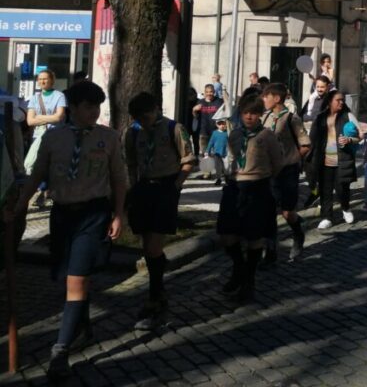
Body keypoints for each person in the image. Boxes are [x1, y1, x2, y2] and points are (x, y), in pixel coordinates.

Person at [6, 81, 127, 379]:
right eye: (89, 106)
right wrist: (19, 208)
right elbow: (36, 176)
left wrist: (118, 214)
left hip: (93, 214)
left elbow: (118, 178)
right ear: (72, 107)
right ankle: (82, 325)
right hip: (62, 215)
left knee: (77, 280)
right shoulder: (53, 138)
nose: (94, 112)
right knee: (67, 279)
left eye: (97, 106)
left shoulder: (108, 138)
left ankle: (60, 350)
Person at [123, 92, 195, 330]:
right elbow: (131, 162)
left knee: (154, 245)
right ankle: (159, 290)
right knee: (147, 245)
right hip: (144, 188)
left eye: (146, 117)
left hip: (166, 187)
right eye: (138, 118)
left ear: (156, 109)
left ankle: (154, 298)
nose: (143, 122)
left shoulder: (174, 128)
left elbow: (188, 160)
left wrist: (176, 185)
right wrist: (132, 188)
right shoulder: (133, 132)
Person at [216, 93, 283, 303]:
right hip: (235, 187)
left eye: (253, 113)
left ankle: (249, 280)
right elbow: (231, 158)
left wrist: (261, 177)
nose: (249, 117)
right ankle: (239, 267)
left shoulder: (267, 136)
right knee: (227, 234)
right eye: (245, 113)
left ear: (260, 114)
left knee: (255, 236)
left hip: (257, 187)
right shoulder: (235, 134)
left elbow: (277, 163)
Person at [261, 83, 311, 264]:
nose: (263, 99)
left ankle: (298, 232)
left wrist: (291, 159)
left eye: (266, 96)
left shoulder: (291, 118)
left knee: (287, 212)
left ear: (276, 98)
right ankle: (270, 252)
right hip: (268, 172)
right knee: (268, 212)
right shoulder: (264, 118)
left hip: (287, 171)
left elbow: (305, 144)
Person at [307, 90, 360, 228]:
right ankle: (327, 217)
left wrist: (349, 139)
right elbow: (312, 138)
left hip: (342, 159)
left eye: (342, 100)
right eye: (338, 100)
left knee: (342, 188)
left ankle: (345, 208)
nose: (341, 102)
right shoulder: (320, 118)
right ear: (330, 101)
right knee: (325, 190)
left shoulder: (348, 116)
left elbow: (360, 135)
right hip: (324, 160)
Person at [25, 68, 67, 208]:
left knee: (52, 164)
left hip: (56, 135)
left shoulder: (59, 96)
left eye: (45, 78)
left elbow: (59, 117)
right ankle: (41, 191)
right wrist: (50, 118)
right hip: (38, 136)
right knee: (37, 164)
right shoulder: (34, 98)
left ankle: (46, 192)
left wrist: (39, 117)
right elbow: (30, 121)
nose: (42, 81)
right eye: (40, 79)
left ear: (52, 80)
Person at [191, 85, 223, 171]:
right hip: (203, 132)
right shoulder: (200, 102)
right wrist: (194, 110)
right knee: (205, 154)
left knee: (217, 153)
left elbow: (225, 112)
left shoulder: (219, 101)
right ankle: (206, 172)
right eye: (207, 92)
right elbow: (195, 116)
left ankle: (219, 172)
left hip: (216, 132)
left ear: (214, 92)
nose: (209, 94)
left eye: (211, 91)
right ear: (204, 93)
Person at [206, 118, 229, 185]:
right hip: (217, 153)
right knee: (218, 167)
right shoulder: (215, 133)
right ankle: (218, 179)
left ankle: (227, 179)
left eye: (223, 124)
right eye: (219, 124)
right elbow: (211, 142)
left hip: (225, 153)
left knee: (226, 167)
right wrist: (207, 150)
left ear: (226, 124)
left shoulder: (227, 133)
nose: (221, 125)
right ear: (217, 125)